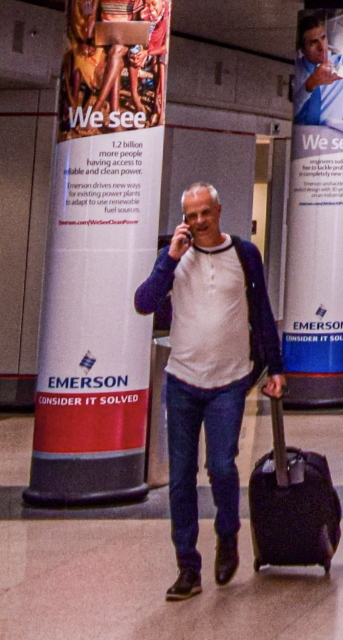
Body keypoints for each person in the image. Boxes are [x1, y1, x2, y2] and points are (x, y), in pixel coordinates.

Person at [132, 183, 285, 601]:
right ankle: (187, 566)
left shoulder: (244, 254)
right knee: (181, 476)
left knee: (221, 466)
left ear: (218, 211)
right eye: (191, 215)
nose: (199, 221)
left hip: (229, 381)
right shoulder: (173, 257)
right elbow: (144, 303)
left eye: (205, 213)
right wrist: (170, 259)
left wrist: (276, 367)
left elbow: (262, 311)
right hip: (182, 380)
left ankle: (227, 534)